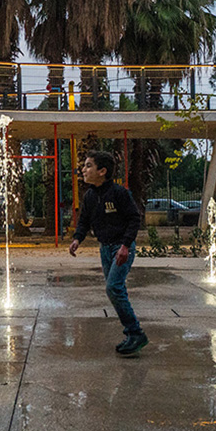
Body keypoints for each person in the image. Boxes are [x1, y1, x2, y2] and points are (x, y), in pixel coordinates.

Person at [69, 150, 147, 356]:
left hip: (121, 248)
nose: (83, 170)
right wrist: (77, 239)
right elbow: (84, 221)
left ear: (102, 171)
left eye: (88, 166)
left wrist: (125, 246)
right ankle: (132, 334)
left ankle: (135, 333)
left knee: (113, 288)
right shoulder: (90, 196)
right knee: (115, 290)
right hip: (105, 248)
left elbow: (134, 219)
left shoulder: (119, 193)